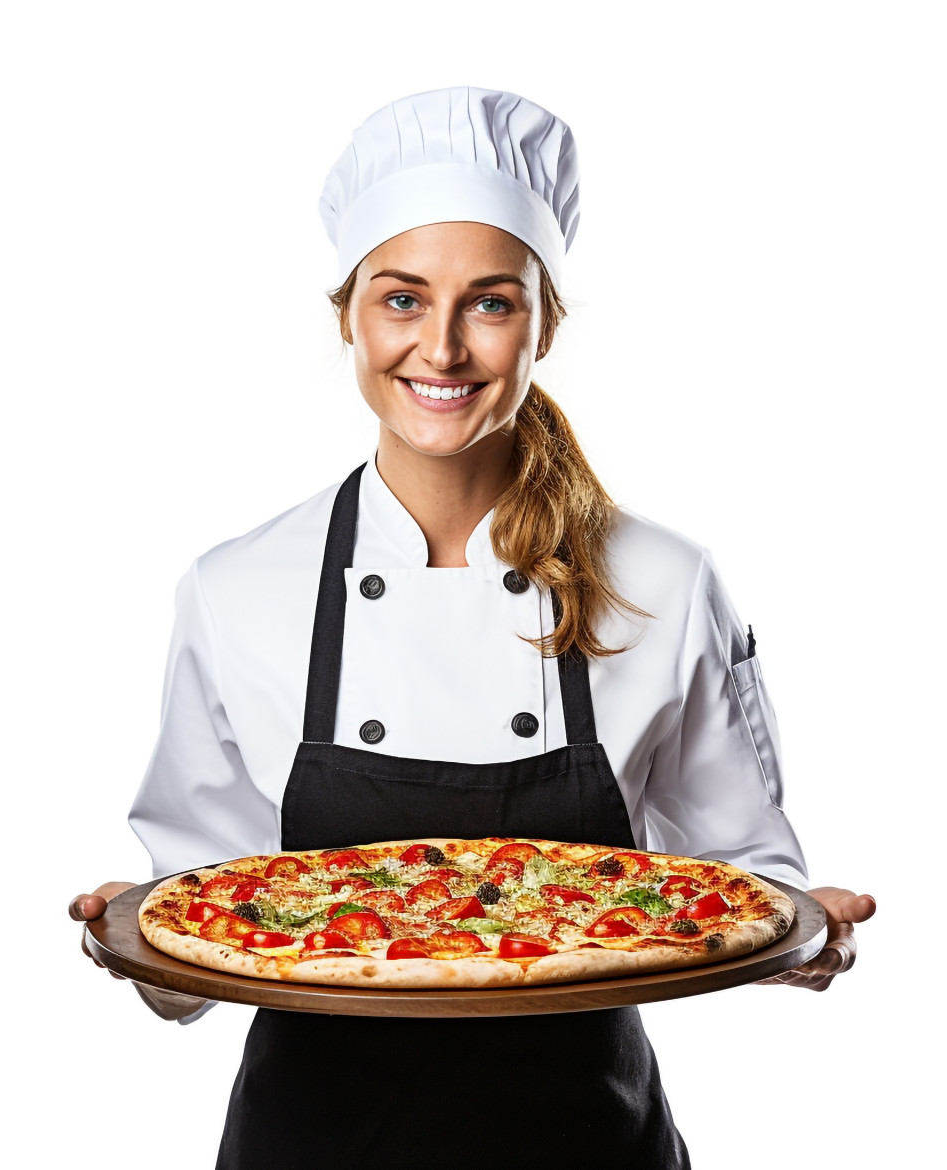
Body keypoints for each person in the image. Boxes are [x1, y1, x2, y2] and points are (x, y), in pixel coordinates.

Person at [69, 86, 877, 1167]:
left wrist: (800, 944)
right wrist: (143, 940)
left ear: (544, 322)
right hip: (308, 1146)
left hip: (587, 1142)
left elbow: (739, 884)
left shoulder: (663, 581)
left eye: (489, 304)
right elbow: (200, 918)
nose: (440, 349)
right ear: (347, 315)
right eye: (401, 300)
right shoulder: (236, 589)